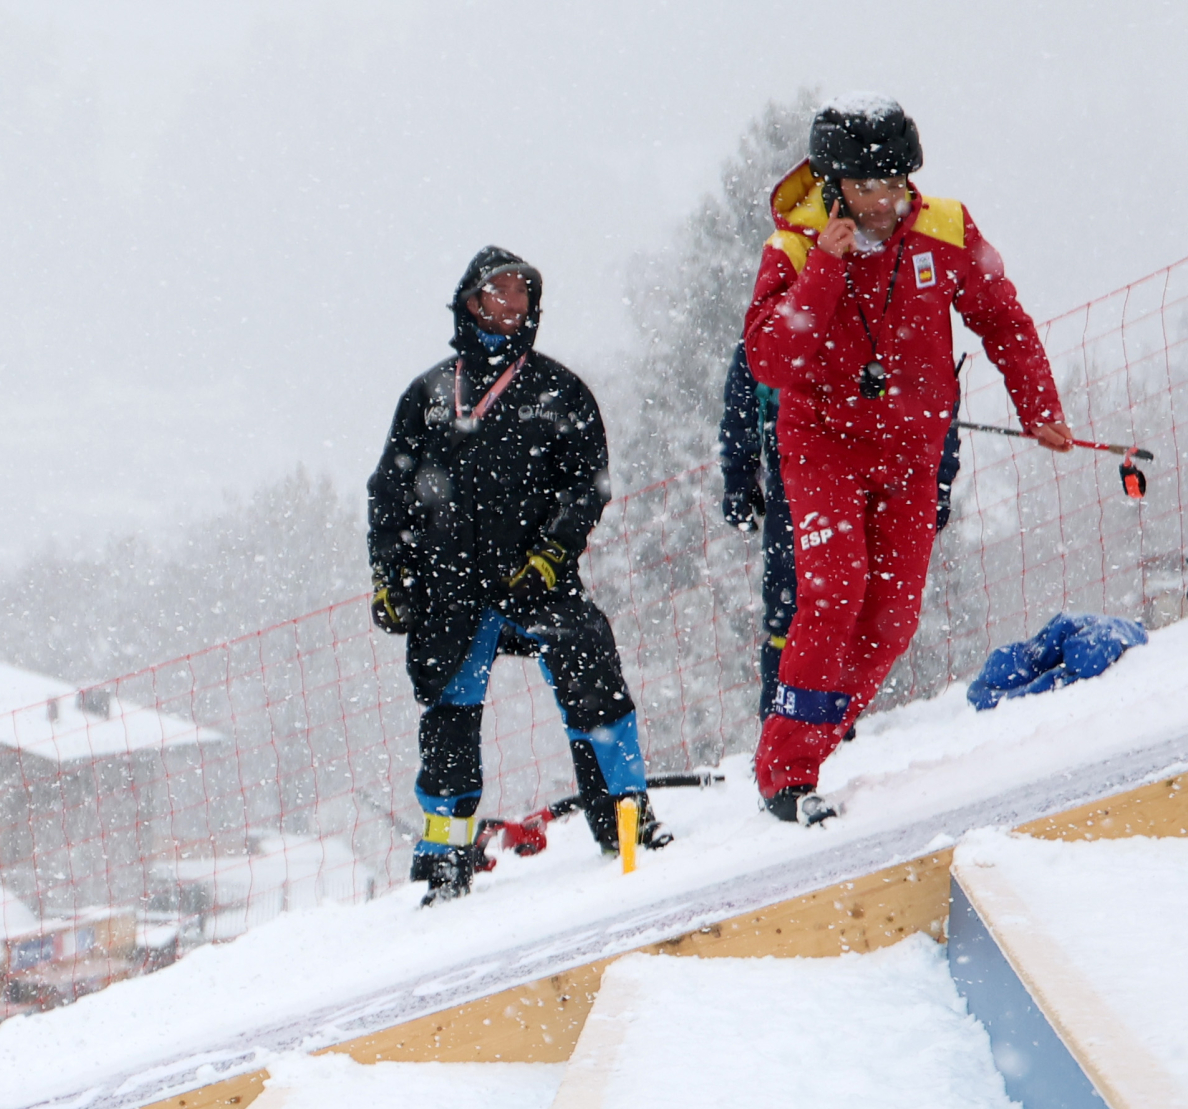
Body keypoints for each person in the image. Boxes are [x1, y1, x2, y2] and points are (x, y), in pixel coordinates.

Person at [743, 94, 1069, 822]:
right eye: (867, 187)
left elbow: (1002, 319)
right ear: (833, 185)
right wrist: (824, 269)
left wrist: (1039, 405)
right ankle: (786, 775)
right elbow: (770, 360)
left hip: (911, 455)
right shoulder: (792, 247)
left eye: (896, 183)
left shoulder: (945, 228)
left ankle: (814, 739)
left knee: (892, 620)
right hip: (824, 449)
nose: (886, 201)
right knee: (834, 593)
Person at [367, 248, 665, 905]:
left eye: (522, 291)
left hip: (537, 584)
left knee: (595, 685)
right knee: (449, 721)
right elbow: (388, 495)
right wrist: (390, 577)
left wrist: (550, 557)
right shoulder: (427, 396)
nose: (511, 302)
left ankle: (626, 820)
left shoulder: (559, 391)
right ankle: (445, 856)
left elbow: (587, 487)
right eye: (497, 290)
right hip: (451, 593)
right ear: (470, 301)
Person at [720, 341, 964, 722]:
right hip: (806, 462)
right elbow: (747, 381)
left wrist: (939, 482)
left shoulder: (893, 313)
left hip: (865, 467)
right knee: (806, 603)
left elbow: (935, 388)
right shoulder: (790, 319)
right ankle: (793, 725)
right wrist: (738, 475)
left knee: (849, 603)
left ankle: (823, 722)